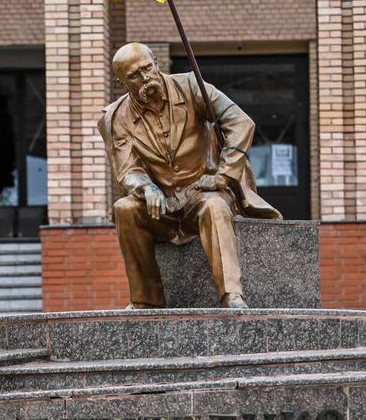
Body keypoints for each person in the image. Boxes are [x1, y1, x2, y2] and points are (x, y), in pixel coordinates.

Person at [99, 42, 281, 309]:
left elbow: (241, 123)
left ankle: (231, 295)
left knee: (215, 206)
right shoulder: (115, 117)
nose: (145, 78)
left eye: (147, 69)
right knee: (123, 208)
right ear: (122, 81)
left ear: (157, 63)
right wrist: (146, 188)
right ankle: (145, 300)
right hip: (161, 205)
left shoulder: (192, 86)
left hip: (202, 192)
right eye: (135, 76)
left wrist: (224, 175)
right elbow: (127, 170)